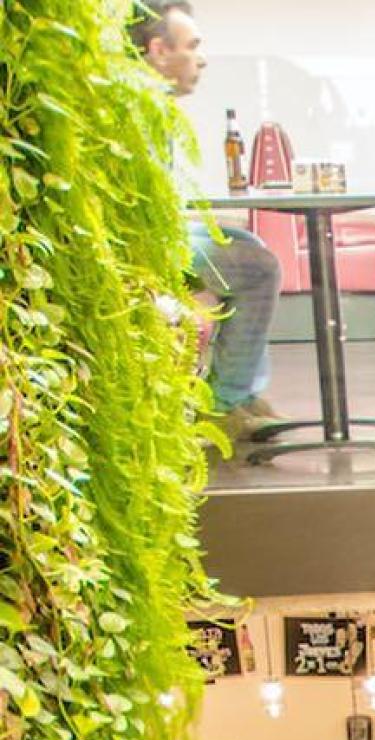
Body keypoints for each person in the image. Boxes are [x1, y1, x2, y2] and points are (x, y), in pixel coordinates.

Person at [131, 1, 281, 442]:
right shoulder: (139, 109)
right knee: (260, 268)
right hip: (146, 246)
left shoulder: (150, 105)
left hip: (165, 231)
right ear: (159, 50)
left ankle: (243, 389)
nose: (202, 58)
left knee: (250, 244)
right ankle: (225, 404)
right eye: (192, 46)